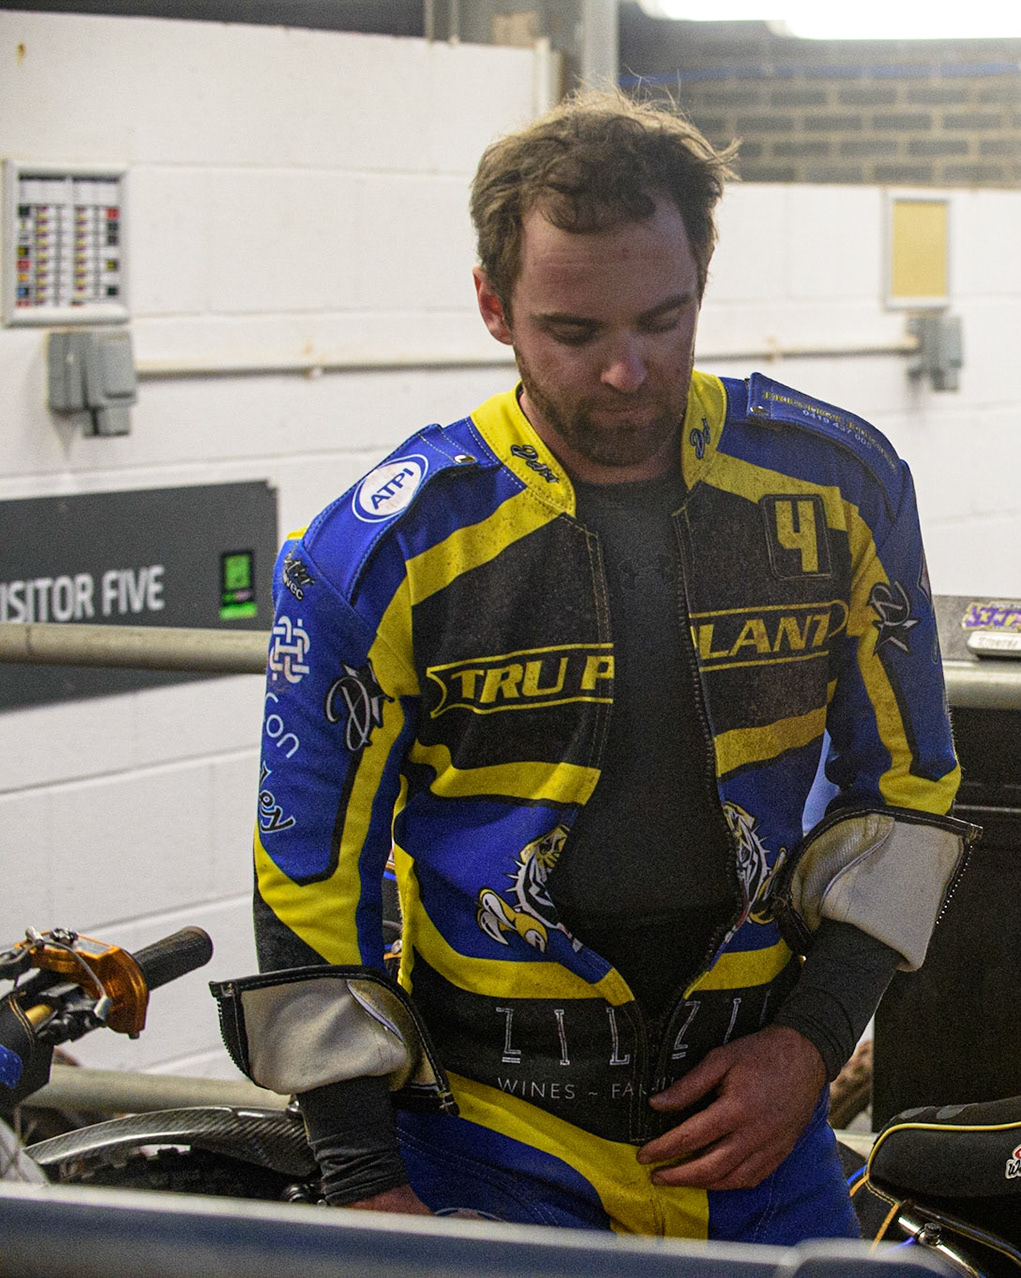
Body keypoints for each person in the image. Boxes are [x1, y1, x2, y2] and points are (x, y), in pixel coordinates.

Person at [223, 92, 969, 1244]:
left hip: (763, 1126)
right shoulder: (383, 552)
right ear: (493, 307)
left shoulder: (842, 487)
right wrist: (359, 1173)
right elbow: (310, 876)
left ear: (704, 278)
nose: (627, 373)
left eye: (663, 320)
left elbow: (909, 791)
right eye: (575, 334)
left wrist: (813, 1041)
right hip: (487, 1134)